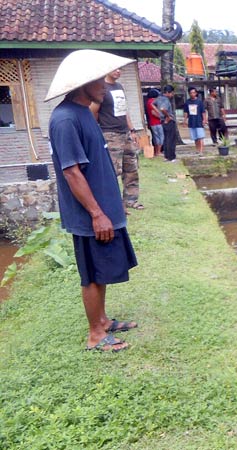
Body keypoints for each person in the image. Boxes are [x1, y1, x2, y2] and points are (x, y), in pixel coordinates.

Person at [45, 49, 139, 352]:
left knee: (103, 269)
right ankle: (95, 335)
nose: (104, 84)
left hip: (103, 208)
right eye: (97, 79)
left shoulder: (84, 113)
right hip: (89, 215)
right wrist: (97, 213)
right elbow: (72, 173)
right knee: (92, 274)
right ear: (81, 83)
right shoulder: (65, 119)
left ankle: (103, 321)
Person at [89, 67, 143, 212]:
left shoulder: (119, 87)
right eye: (114, 69)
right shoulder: (101, 88)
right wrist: (97, 132)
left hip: (125, 133)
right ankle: (115, 204)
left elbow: (124, 110)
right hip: (110, 134)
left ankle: (131, 200)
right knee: (113, 171)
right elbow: (93, 111)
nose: (118, 71)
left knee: (131, 168)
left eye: (120, 69)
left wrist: (132, 130)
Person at [155, 85, 177, 162]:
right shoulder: (165, 100)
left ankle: (167, 156)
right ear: (167, 92)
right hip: (168, 121)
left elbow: (153, 105)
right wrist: (168, 116)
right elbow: (163, 109)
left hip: (162, 121)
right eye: (171, 93)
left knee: (166, 139)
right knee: (171, 139)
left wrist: (158, 114)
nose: (172, 95)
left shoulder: (158, 98)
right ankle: (171, 157)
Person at [183, 87, 206, 154]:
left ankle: (201, 151)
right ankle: (197, 149)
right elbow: (186, 112)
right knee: (195, 137)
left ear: (196, 93)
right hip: (191, 122)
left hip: (199, 121)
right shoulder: (187, 102)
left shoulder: (199, 102)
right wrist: (184, 121)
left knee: (200, 137)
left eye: (193, 93)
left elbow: (203, 112)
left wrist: (204, 119)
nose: (192, 94)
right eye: (191, 93)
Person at [145, 89, 163, 157]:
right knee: (159, 137)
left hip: (152, 122)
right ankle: (158, 152)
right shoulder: (152, 102)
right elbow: (154, 113)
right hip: (156, 122)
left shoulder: (148, 102)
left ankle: (157, 152)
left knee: (156, 137)